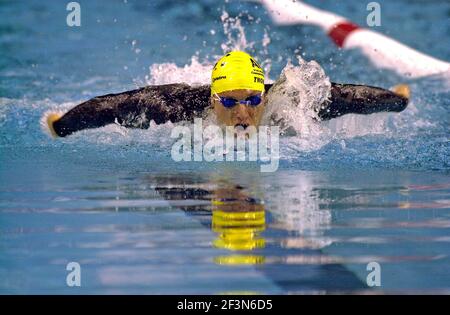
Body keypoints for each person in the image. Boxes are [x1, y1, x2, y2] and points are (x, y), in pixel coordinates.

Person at [42, 51, 410, 138]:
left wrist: (396, 100)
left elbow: (345, 97)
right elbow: (117, 106)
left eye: (252, 100)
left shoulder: (286, 101)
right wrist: (63, 126)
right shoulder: (175, 106)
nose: (242, 113)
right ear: (213, 100)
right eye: (229, 102)